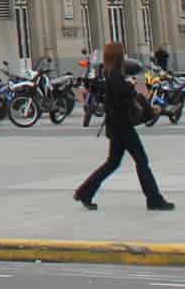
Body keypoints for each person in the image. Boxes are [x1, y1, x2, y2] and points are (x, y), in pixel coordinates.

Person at [72, 41, 174, 211]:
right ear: (118, 56)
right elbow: (122, 102)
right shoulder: (115, 76)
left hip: (116, 125)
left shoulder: (110, 73)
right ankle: (154, 199)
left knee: (113, 163)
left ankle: (85, 192)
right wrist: (134, 95)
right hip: (122, 126)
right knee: (141, 160)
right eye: (122, 53)